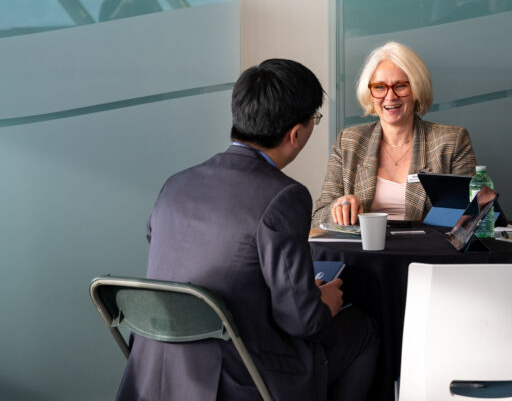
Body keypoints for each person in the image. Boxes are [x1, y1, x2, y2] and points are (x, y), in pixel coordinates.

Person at [116, 59, 379, 401]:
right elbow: (301, 321)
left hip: (154, 371)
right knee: (362, 328)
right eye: (314, 119)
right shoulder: (284, 196)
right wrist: (322, 303)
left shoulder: (175, 184)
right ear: (296, 134)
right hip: (234, 378)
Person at [312, 41, 477, 227]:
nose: (390, 96)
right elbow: (318, 219)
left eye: (400, 86)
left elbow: (471, 218)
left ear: (416, 89)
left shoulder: (452, 142)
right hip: (365, 246)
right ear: (370, 93)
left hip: (427, 245)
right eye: (379, 87)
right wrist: (338, 207)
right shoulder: (349, 141)